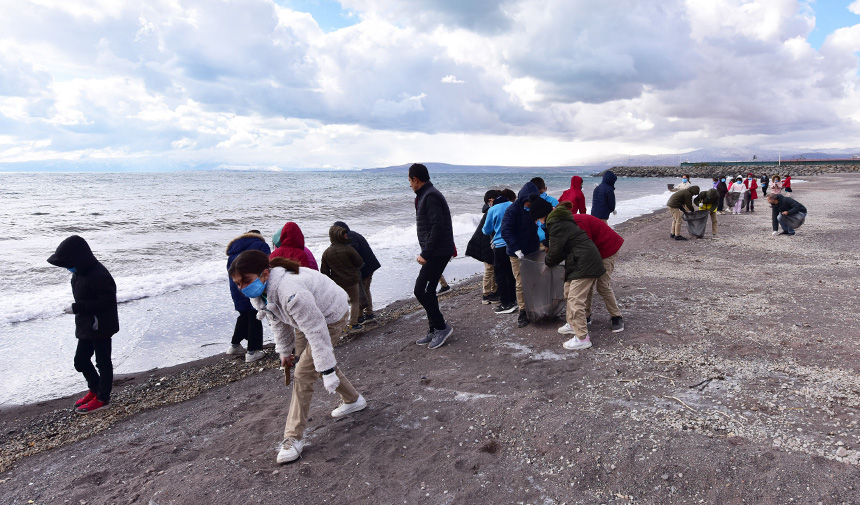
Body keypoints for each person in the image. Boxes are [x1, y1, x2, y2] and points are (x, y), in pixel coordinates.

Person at [229, 250, 366, 464]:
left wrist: (328, 371)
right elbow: (277, 320)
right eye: (237, 283)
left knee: (304, 372)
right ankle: (354, 399)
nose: (242, 288)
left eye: (245, 281)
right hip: (307, 317)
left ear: (265, 274)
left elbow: (317, 330)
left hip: (330, 315)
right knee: (312, 364)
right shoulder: (262, 293)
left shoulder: (290, 292)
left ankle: (293, 438)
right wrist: (285, 352)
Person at [47, 235, 119, 414]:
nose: (68, 268)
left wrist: (77, 307)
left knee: (103, 362)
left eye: (68, 264)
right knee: (80, 361)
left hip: (101, 325)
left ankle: (103, 399)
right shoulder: (79, 272)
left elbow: (108, 301)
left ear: (79, 259)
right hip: (86, 323)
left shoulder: (99, 274)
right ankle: (95, 389)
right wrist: (79, 311)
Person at [544, 203, 606, 351]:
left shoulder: (557, 226)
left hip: (585, 262)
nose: (538, 223)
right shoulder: (564, 222)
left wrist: (546, 262)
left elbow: (554, 252)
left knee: (575, 299)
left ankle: (582, 338)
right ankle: (572, 324)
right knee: (568, 291)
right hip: (578, 261)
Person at [409, 163, 456, 349]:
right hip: (437, 250)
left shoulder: (431, 196)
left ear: (415, 179)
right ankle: (434, 328)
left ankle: (441, 327)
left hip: (438, 251)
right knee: (427, 291)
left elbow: (438, 226)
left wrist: (425, 253)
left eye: (410, 181)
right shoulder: (424, 195)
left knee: (420, 290)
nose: (410, 185)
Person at [559, 202, 625, 333]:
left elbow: (585, 248)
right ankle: (586, 316)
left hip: (607, 249)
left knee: (602, 285)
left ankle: (616, 316)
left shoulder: (578, 223)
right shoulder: (565, 226)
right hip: (594, 250)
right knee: (586, 283)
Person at [500, 181, 543, 328]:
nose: (529, 206)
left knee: (534, 280)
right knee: (520, 282)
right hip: (516, 253)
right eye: (527, 203)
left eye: (531, 204)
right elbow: (505, 230)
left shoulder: (536, 207)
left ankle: (536, 307)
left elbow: (544, 224)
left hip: (533, 249)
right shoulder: (512, 210)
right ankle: (523, 312)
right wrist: (516, 248)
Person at [226, 230, 271, 362]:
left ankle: (234, 345)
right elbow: (267, 265)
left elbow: (230, 272)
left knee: (244, 314)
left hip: (237, 287)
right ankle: (253, 351)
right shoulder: (261, 245)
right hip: (253, 284)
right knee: (255, 315)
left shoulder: (233, 250)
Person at [333, 221, 381, 322]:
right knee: (365, 290)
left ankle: (359, 316)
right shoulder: (353, 234)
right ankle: (369, 313)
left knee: (360, 292)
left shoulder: (350, 237)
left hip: (365, 268)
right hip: (369, 265)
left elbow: (353, 252)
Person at [320, 225, 365, 330]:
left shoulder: (326, 252)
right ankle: (353, 323)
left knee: (341, 304)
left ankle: (342, 326)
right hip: (352, 280)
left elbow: (324, 272)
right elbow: (360, 263)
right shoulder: (349, 249)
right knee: (354, 301)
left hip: (338, 282)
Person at [483, 191, 518, 314]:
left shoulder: (493, 210)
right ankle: (514, 300)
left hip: (500, 245)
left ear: (491, 200)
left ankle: (506, 303)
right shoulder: (514, 205)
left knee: (500, 275)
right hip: (514, 243)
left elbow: (486, 230)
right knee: (512, 273)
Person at [466, 190, 501, 304]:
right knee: (490, 270)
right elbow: (486, 231)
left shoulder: (490, 211)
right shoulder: (490, 211)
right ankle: (486, 295)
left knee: (492, 269)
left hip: (487, 244)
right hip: (486, 245)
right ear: (491, 201)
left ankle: (493, 292)